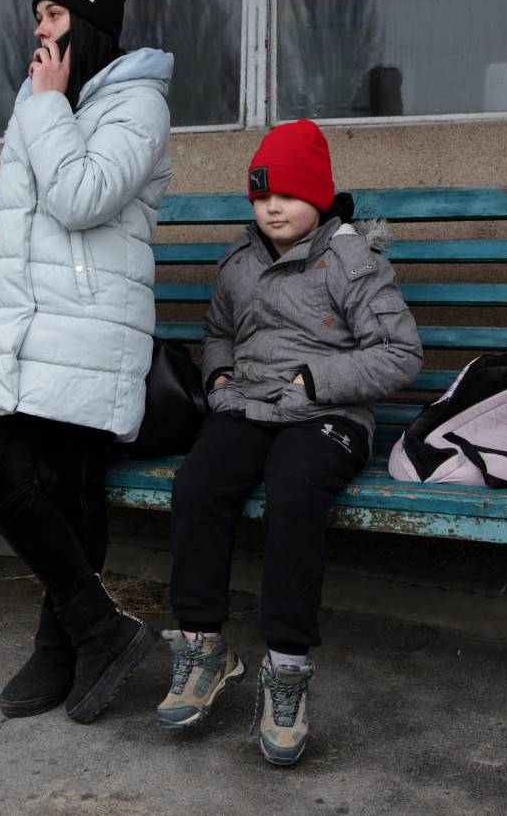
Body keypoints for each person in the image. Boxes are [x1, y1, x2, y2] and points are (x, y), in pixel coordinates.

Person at [0, 0, 173, 724]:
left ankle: (63, 644)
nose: (37, 33)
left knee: (70, 488)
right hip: (18, 328)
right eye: (36, 18)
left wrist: (45, 107)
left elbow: (81, 198)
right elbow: (7, 232)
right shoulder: (37, 101)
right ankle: (98, 627)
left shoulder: (138, 106)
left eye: (50, 18)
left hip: (89, 330)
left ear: (87, 23)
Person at [157, 120, 422, 764]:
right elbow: (217, 330)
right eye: (260, 196)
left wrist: (316, 379)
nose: (273, 207)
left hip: (326, 415)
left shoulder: (353, 263)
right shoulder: (240, 262)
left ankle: (286, 666)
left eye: (290, 195)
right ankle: (203, 648)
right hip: (248, 405)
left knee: (294, 493)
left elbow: (401, 353)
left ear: (322, 199)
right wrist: (218, 375)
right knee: (197, 485)